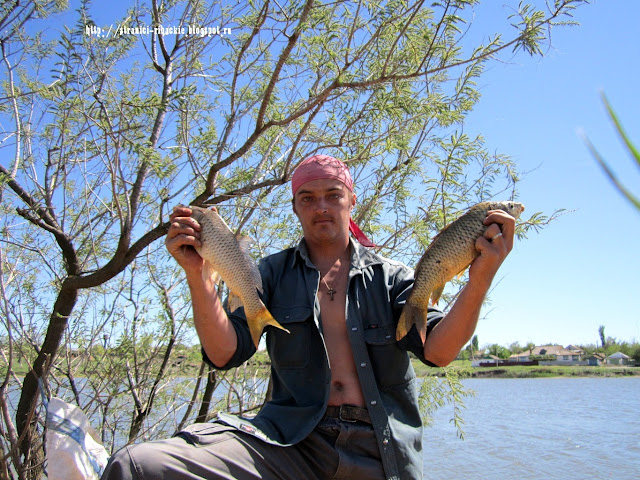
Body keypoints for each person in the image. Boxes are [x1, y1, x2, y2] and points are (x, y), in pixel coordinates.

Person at [101, 154, 518, 480]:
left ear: (351, 201)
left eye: (333, 195)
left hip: (379, 449)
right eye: (308, 198)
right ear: (296, 207)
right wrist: (198, 276)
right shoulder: (269, 274)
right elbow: (225, 353)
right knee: (138, 467)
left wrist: (480, 276)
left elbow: (440, 352)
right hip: (290, 442)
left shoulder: (392, 277)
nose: (321, 206)